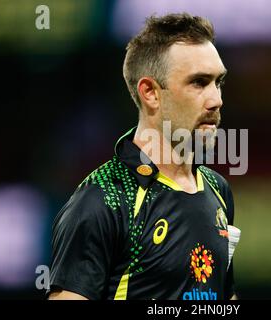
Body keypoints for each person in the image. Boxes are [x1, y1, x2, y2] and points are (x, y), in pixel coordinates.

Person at [47, 13, 239, 300]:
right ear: (150, 93)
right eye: (199, 82)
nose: (216, 99)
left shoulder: (217, 190)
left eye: (218, 82)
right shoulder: (103, 199)